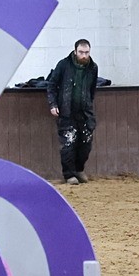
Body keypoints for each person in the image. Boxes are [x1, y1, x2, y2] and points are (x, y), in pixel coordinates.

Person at [46, 39, 99, 185]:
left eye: (86, 52)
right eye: (81, 52)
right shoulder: (63, 65)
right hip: (66, 111)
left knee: (86, 143)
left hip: (85, 112)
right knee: (69, 143)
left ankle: (79, 169)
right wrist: (53, 104)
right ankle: (69, 174)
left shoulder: (93, 68)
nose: (84, 55)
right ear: (75, 51)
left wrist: (88, 103)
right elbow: (52, 85)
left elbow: (92, 89)